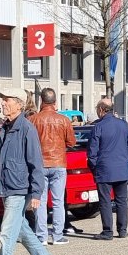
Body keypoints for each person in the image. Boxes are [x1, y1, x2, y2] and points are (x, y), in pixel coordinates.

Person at [0, 88, 56, 255]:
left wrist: (37, 193)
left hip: (19, 189)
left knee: (7, 232)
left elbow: (36, 163)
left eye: (7, 100)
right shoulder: (4, 129)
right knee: (21, 230)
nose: (3, 103)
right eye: (3, 100)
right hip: (6, 187)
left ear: (19, 104)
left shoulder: (27, 129)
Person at [29, 88, 78, 245]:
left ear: (41, 101)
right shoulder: (63, 120)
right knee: (58, 201)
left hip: (39, 164)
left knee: (40, 201)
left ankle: (41, 236)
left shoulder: (32, 120)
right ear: (55, 102)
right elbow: (72, 142)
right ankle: (57, 236)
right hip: (58, 163)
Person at [88, 97, 128, 239]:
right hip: (121, 169)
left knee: (105, 201)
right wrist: (124, 160)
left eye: (97, 109)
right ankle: (122, 230)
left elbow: (92, 152)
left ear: (101, 110)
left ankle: (108, 232)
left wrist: (95, 167)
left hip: (104, 170)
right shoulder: (124, 125)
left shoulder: (98, 127)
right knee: (121, 201)